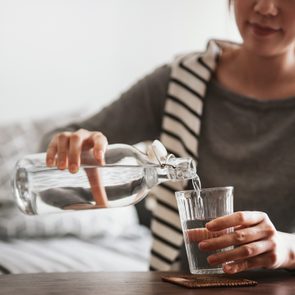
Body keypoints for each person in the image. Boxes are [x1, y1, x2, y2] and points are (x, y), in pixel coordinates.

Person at [42, 0, 295, 273]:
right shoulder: (181, 81)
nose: (266, 8)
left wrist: (288, 248)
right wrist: (71, 146)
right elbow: (52, 144)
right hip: (180, 284)